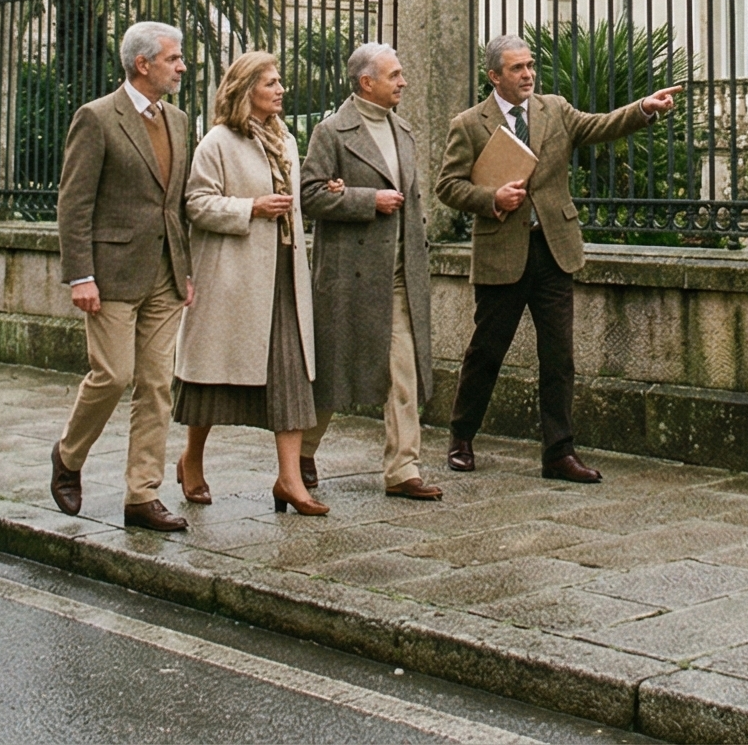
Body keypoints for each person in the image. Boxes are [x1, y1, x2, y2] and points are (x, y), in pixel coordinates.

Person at [437, 33, 679, 483]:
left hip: (553, 251)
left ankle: (559, 453)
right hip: (502, 253)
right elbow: (448, 186)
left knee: (559, 356)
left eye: (530, 66)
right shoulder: (470, 124)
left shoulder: (555, 109)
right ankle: (461, 437)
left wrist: (644, 107)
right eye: (517, 68)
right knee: (486, 352)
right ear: (494, 76)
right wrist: (492, 198)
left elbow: (600, 125)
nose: (528, 74)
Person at [50, 20, 196, 532]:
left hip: (165, 273)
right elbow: (74, 203)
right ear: (143, 64)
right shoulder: (96, 118)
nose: (182, 66)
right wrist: (80, 276)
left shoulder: (178, 120)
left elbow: (176, 204)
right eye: (174, 59)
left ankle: (142, 495)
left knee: (157, 384)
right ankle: (68, 456)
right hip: (109, 273)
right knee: (113, 374)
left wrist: (187, 270)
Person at [171, 50, 325, 516]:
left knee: (291, 378)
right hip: (235, 280)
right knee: (211, 382)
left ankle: (289, 481)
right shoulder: (217, 142)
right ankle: (191, 460)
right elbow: (195, 203)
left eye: (279, 82)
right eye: (271, 83)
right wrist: (250, 208)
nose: (281, 90)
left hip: (284, 276)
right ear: (246, 90)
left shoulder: (286, 140)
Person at [298, 43, 441, 500]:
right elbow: (309, 196)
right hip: (350, 275)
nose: (403, 82)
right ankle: (301, 453)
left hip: (400, 274)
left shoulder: (403, 129)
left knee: (404, 373)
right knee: (334, 372)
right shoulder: (332, 131)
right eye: (395, 75)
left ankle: (403, 469)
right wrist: (366, 200)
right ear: (367, 83)